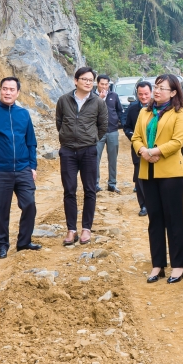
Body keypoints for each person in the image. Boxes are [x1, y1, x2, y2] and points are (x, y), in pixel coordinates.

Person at [132, 74, 183, 284]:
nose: (156, 91)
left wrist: (155, 151)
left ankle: (178, 266)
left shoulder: (179, 112)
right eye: (156, 87)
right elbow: (136, 137)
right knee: (154, 219)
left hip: (171, 173)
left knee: (174, 219)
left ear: (173, 92)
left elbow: (178, 141)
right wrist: (143, 151)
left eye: (161, 88)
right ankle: (158, 264)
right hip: (148, 171)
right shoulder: (144, 112)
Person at [0, 76, 39, 259]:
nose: (8, 92)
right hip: (0, 170)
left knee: (29, 204)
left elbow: (31, 142)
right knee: (0, 211)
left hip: (23, 169)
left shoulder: (24, 114)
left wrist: (32, 166)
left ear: (18, 92)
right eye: (5, 89)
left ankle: (24, 242)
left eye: (12, 89)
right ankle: (2, 245)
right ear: (0, 90)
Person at [55, 67, 108, 246]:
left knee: (90, 190)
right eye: (84, 79)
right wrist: (67, 137)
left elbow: (103, 126)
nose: (87, 82)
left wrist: (91, 139)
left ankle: (86, 228)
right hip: (68, 151)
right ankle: (71, 230)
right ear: (75, 80)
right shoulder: (63, 100)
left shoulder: (98, 102)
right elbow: (59, 122)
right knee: (69, 190)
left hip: (88, 151)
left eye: (90, 80)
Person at [122, 81, 152, 217]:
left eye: (146, 94)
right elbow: (127, 126)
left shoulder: (158, 108)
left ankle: (155, 204)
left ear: (151, 93)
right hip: (138, 149)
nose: (143, 97)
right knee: (140, 177)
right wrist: (134, 139)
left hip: (155, 148)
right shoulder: (133, 109)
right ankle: (144, 205)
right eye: (140, 94)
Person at [95, 75, 125, 192]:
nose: (104, 86)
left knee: (113, 159)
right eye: (102, 84)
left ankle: (112, 183)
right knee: (95, 158)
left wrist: (119, 122)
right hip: (97, 132)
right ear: (97, 84)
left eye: (106, 84)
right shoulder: (92, 96)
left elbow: (119, 111)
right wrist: (100, 99)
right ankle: (95, 183)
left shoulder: (114, 96)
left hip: (112, 131)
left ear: (109, 84)